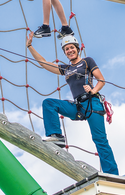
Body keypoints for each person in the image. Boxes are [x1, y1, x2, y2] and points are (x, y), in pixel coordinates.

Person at [26, 32, 119, 175]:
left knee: (100, 140)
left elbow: (101, 80)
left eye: (71, 48)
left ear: (77, 48)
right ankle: (56, 136)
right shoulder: (66, 69)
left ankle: (112, 174)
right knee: (49, 103)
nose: (70, 51)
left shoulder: (87, 61)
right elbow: (44, 63)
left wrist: (93, 91)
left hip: (92, 104)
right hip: (78, 106)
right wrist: (30, 46)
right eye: (67, 49)